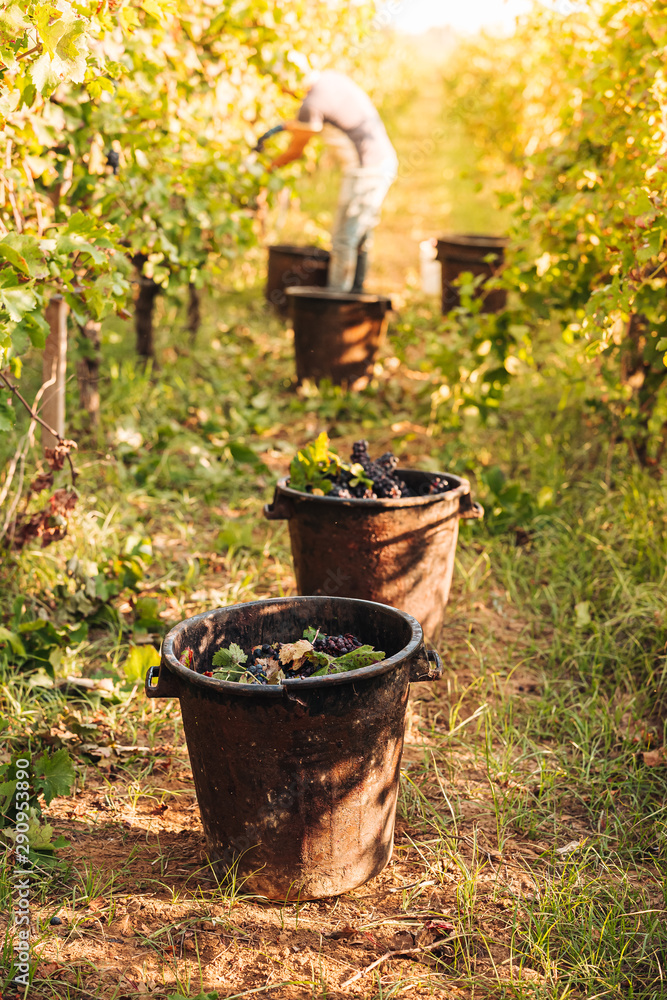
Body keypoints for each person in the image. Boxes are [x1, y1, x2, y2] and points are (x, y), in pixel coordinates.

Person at [268, 70, 397, 292]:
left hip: (366, 171)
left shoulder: (311, 104)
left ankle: (336, 299)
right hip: (382, 161)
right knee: (359, 234)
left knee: (343, 239)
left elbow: (296, 151)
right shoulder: (331, 80)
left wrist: (267, 169)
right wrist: (290, 125)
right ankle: (356, 292)